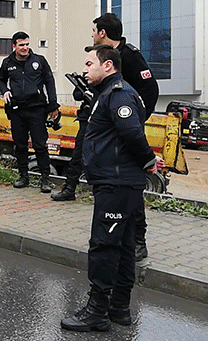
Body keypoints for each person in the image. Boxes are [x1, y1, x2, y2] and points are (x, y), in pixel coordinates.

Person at [60, 45, 163, 332]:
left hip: (116, 182)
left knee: (104, 245)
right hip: (118, 181)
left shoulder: (119, 93)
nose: (84, 68)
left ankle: (97, 312)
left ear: (107, 65)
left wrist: (148, 161)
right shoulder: (109, 93)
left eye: (89, 63)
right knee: (124, 244)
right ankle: (119, 308)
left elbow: (131, 131)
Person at [54, 13, 160, 263]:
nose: (91, 34)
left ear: (102, 32)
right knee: (82, 158)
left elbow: (149, 89)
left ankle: (137, 241)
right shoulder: (98, 56)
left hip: (122, 130)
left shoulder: (130, 56)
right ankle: (71, 189)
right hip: (97, 123)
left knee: (128, 185)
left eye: (94, 30)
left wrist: (136, 118)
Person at [0, 31, 59, 193]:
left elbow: (49, 81)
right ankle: (23, 176)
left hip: (37, 109)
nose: (25, 48)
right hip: (17, 110)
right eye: (21, 45)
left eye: (27, 44)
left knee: (40, 145)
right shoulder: (7, 62)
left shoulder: (39, 61)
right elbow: (0, 80)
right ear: (14, 46)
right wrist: (4, 91)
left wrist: (53, 105)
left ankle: (45, 179)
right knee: (20, 145)